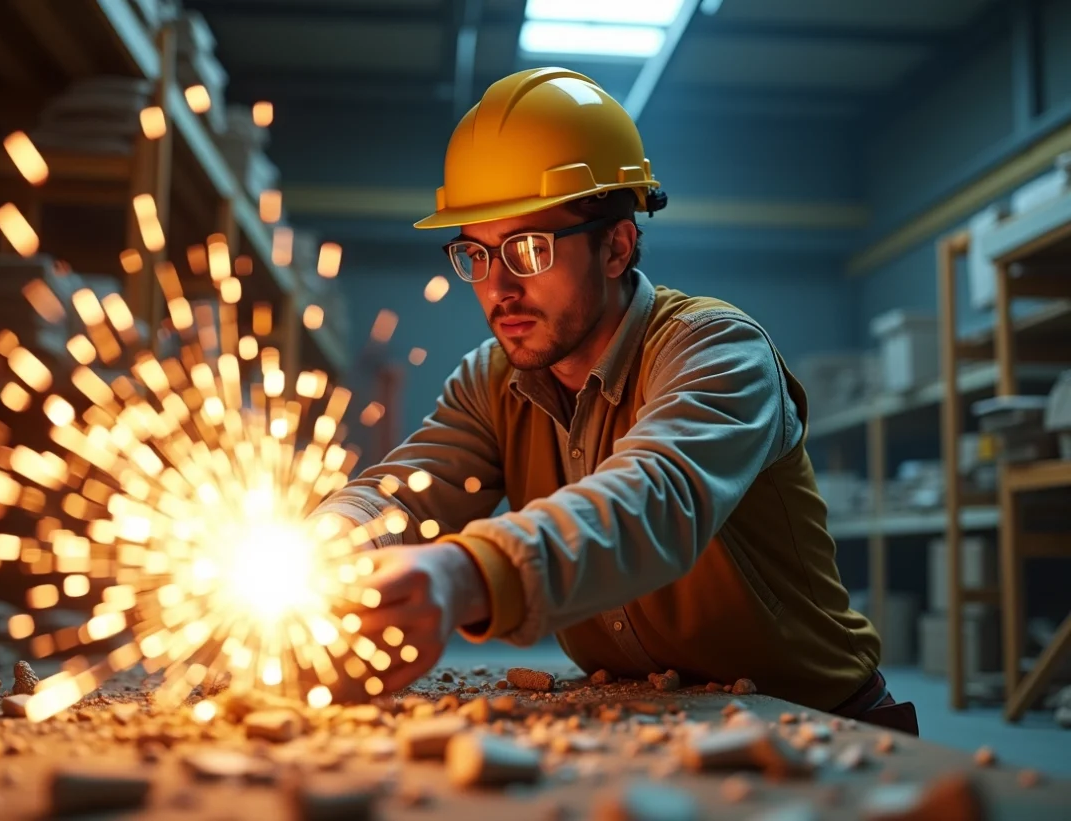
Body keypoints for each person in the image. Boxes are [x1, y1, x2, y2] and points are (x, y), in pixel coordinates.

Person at [314, 67, 918, 734]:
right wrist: (333, 536)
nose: (499, 288)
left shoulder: (716, 350)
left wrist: (467, 573)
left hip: (816, 725)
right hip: (656, 724)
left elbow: (653, 499)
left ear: (616, 245)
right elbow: (404, 493)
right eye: (476, 255)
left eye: (528, 248)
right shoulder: (490, 380)